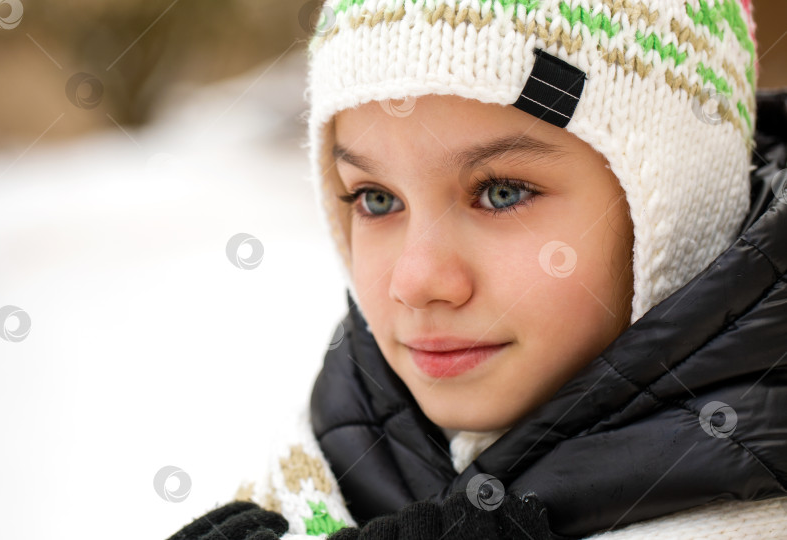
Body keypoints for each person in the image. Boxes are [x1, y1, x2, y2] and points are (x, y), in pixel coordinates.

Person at [168, 1, 787, 538]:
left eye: (501, 193)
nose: (415, 282)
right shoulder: (310, 479)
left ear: (683, 207)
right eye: (376, 199)